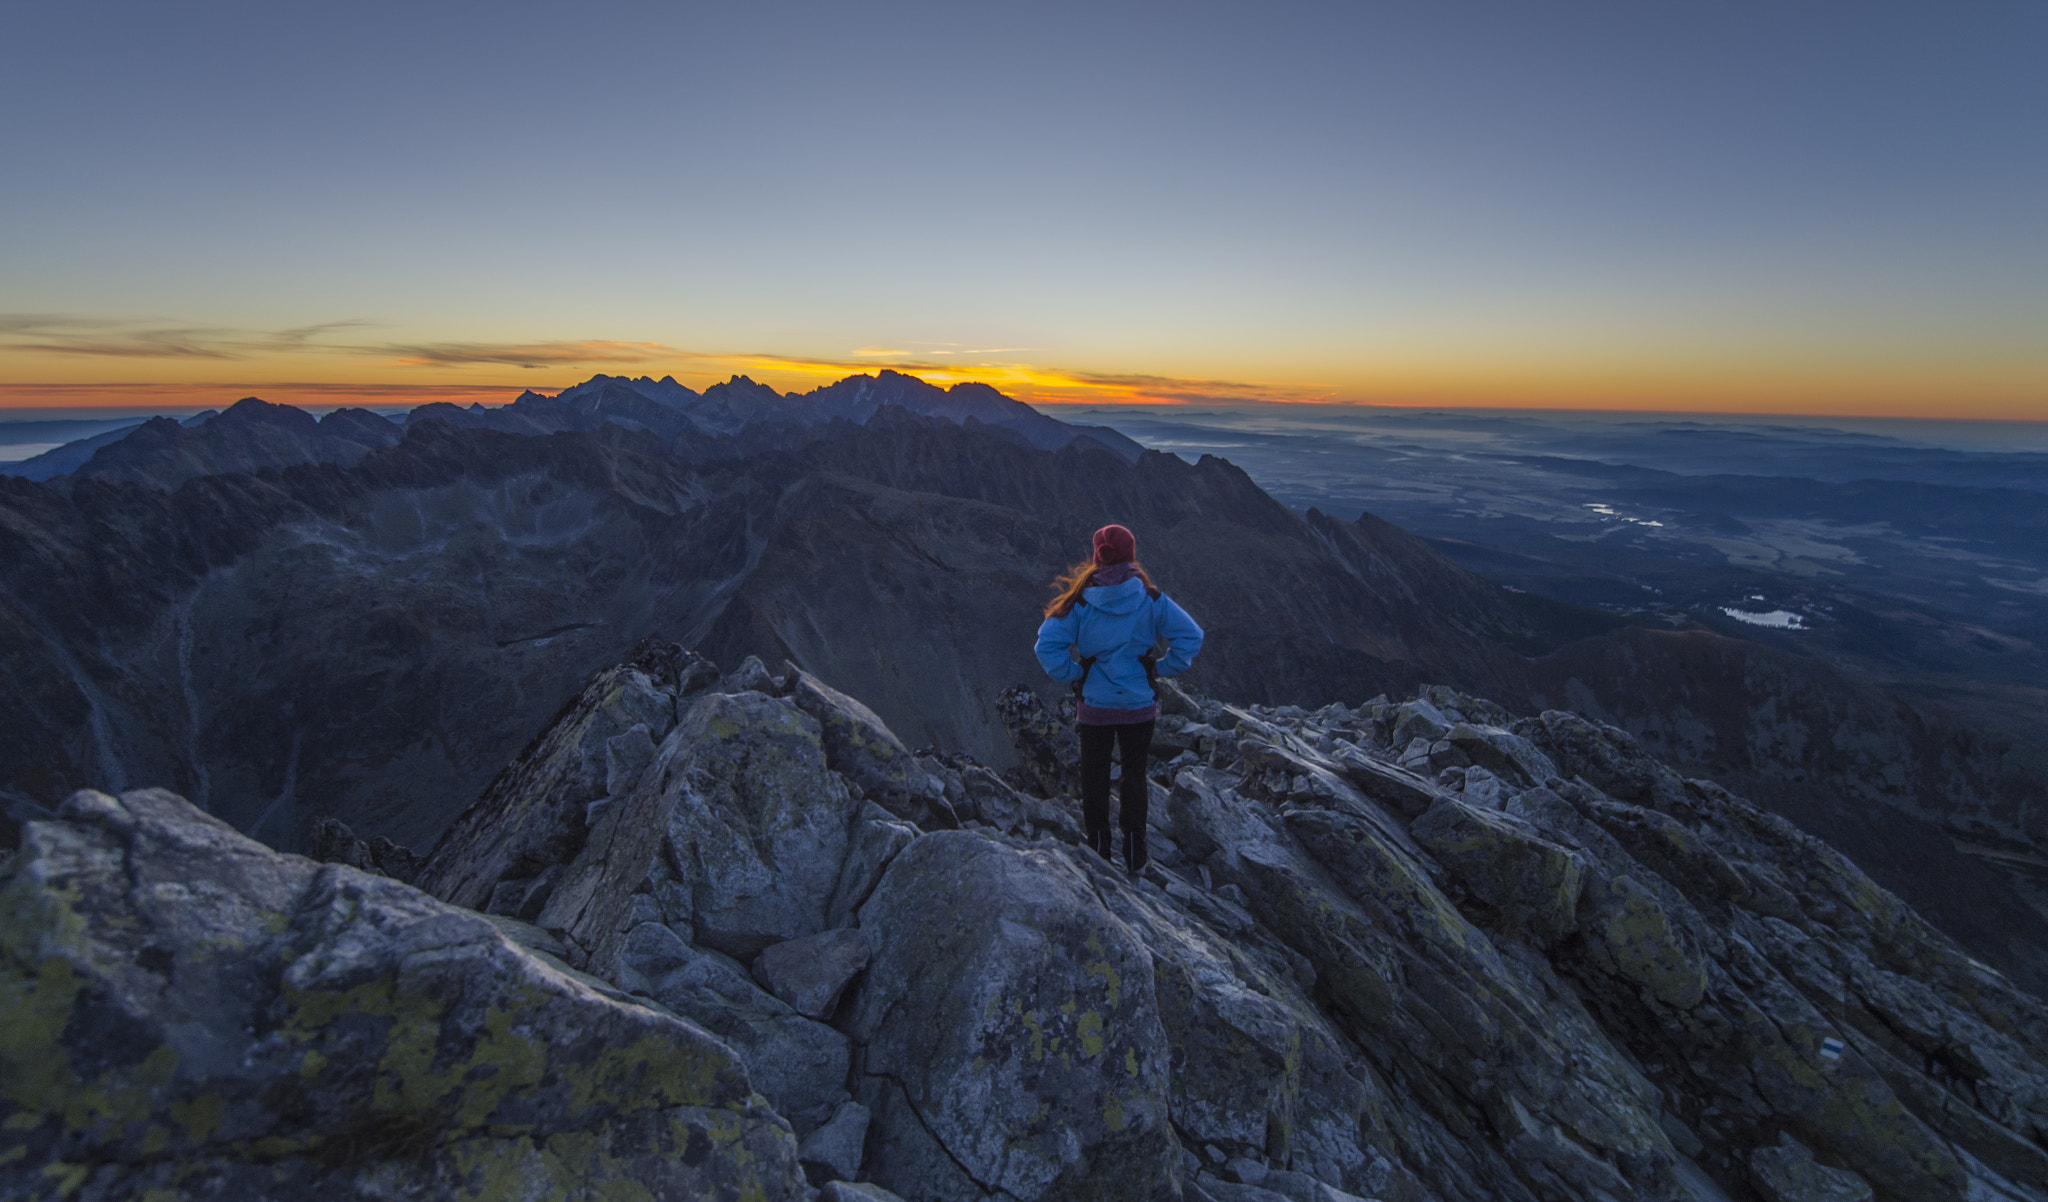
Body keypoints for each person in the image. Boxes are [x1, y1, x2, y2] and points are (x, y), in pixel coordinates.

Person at [1034, 524, 1203, 875]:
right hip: (1139, 705)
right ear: (1132, 555)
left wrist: (1076, 673)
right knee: (1135, 776)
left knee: (1093, 777)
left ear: (1097, 557)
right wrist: (1161, 667)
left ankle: (1098, 851)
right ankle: (1135, 855)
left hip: (1095, 704)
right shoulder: (1150, 598)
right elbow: (1191, 635)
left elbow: (1046, 646)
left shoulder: (1080, 603)